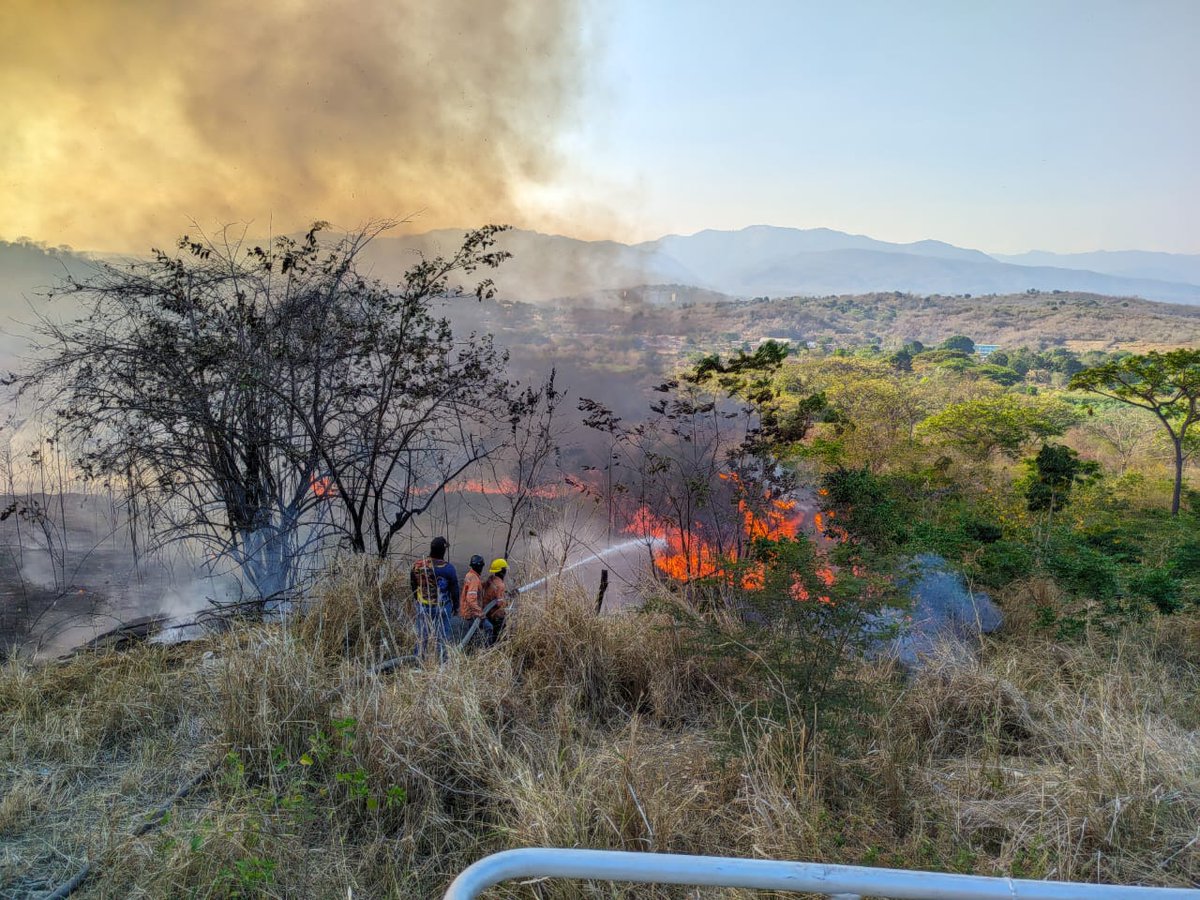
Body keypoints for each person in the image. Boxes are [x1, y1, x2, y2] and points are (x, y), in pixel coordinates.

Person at [409, 536, 459, 661]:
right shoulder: (448, 568)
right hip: (442, 607)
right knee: (442, 637)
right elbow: (454, 590)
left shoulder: (417, 565)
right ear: (443, 552)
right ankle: (443, 663)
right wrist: (456, 606)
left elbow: (413, 585)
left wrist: (418, 600)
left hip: (423, 606)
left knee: (422, 636)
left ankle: (418, 661)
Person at [458, 554, 491, 645]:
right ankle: (487, 650)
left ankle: (471, 652)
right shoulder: (474, 579)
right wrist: (480, 613)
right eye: (481, 566)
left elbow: (473, 589)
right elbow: (471, 599)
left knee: (471, 637)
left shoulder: (470, 575)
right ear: (480, 566)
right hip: (471, 614)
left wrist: (485, 584)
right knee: (489, 628)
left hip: (466, 612)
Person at [482, 558, 509, 645]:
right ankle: (495, 650)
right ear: (502, 571)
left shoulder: (490, 580)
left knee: (491, 634)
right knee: (499, 636)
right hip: (496, 615)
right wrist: (508, 598)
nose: (505, 571)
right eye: (504, 569)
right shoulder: (500, 585)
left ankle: (489, 646)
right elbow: (499, 603)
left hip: (488, 613)